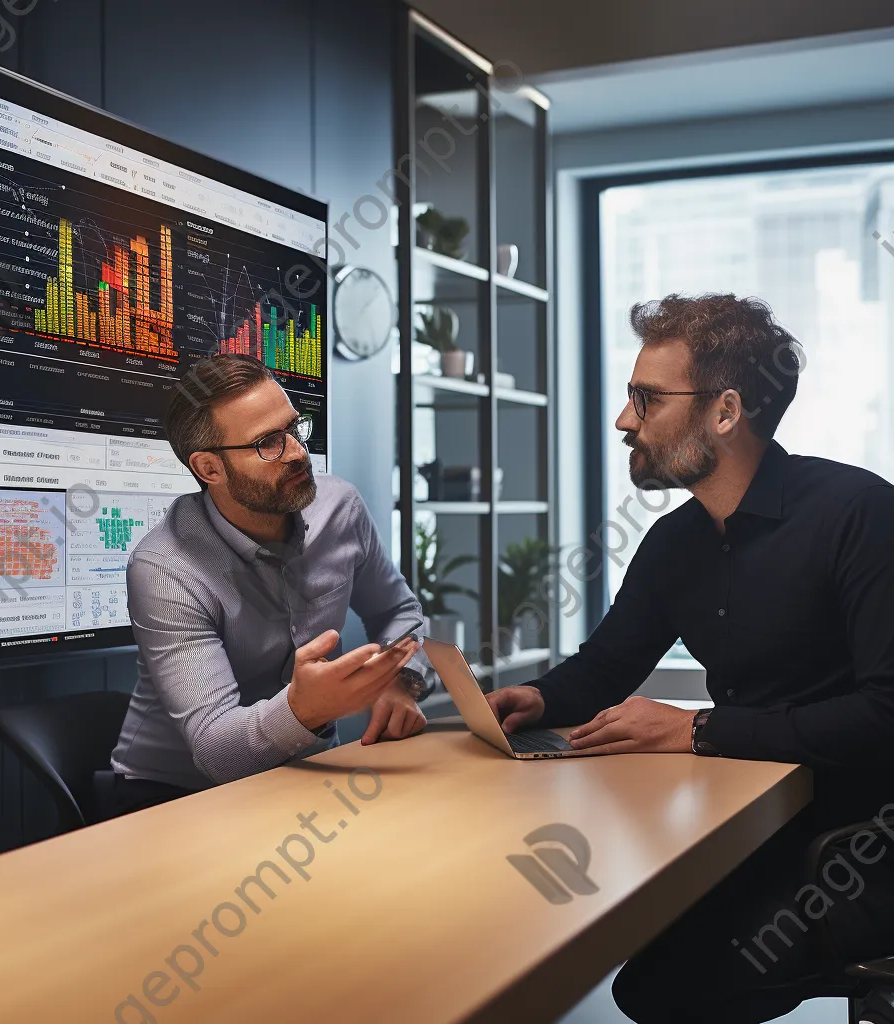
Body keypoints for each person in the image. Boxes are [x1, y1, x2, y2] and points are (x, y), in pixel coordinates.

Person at [486, 294, 894, 1023]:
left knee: (661, 987)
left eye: (646, 399)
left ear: (726, 412)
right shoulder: (676, 542)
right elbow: (607, 666)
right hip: (756, 828)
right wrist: (537, 701)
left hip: (861, 849)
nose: (624, 421)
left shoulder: (859, 514)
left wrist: (699, 730)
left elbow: (886, 715)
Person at [110, 354, 430, 815]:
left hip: (309, 770)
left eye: (294, 429)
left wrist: (401, 681)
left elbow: (397, 612)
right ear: (209, 469)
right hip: (176, 795)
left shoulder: (339, 506)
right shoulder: (165, 568)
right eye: (268, 443)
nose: (298, 452)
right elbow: (215, 750)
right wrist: (307, 710)